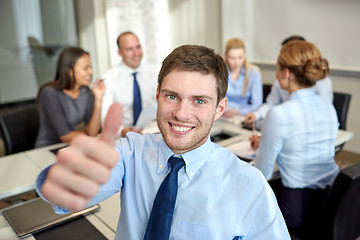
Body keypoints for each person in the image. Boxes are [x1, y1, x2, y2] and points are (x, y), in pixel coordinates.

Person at [36, 45, 290, 239]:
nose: (181, 113)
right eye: (172, 96)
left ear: (220, 108)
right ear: (157, 95)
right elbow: (69, 189)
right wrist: (62, 181)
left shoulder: (249, 185)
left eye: (199, 101)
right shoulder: (129, 152)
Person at [250, 40, 339, 238]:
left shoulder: (279, 114)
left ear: (287, 72)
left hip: (297, 209)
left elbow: (261, 173)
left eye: (277, 68)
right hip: (331, 201)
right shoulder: (329, 108)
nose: (275, 74)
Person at [244, 35, 333, 125]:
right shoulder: (280, 83)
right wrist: (257, 114)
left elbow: (323, 112)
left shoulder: (321, 81)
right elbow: (271, 103)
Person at [35, 47, 105, 148]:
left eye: (90, 67)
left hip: (71, 146)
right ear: (70, 71)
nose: (91, 72)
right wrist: (90, 135)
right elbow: (65, 136)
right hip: (48, 149)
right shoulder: (50, 93)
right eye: (86, 68)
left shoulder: (86, 92)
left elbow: (93, 131)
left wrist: (98, 99)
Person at [101, 31, 158, 137]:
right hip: (122, 135)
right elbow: (105, 117)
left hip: (150, 131)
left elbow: (161, 103)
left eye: (138, 47)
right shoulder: (109, 79)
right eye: (129, 49)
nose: (136, 53)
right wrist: (122, 131)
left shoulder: (153, 74)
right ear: (120, 53)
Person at [222, 38, 263, 118]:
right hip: (223, 114)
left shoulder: (253, 73)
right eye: (232, 58)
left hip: (243, 115)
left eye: (240, 57)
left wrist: (238, 112)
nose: (236, 62)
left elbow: (257, 104)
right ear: (226, 56)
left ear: (245, 56)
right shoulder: (221, 71)